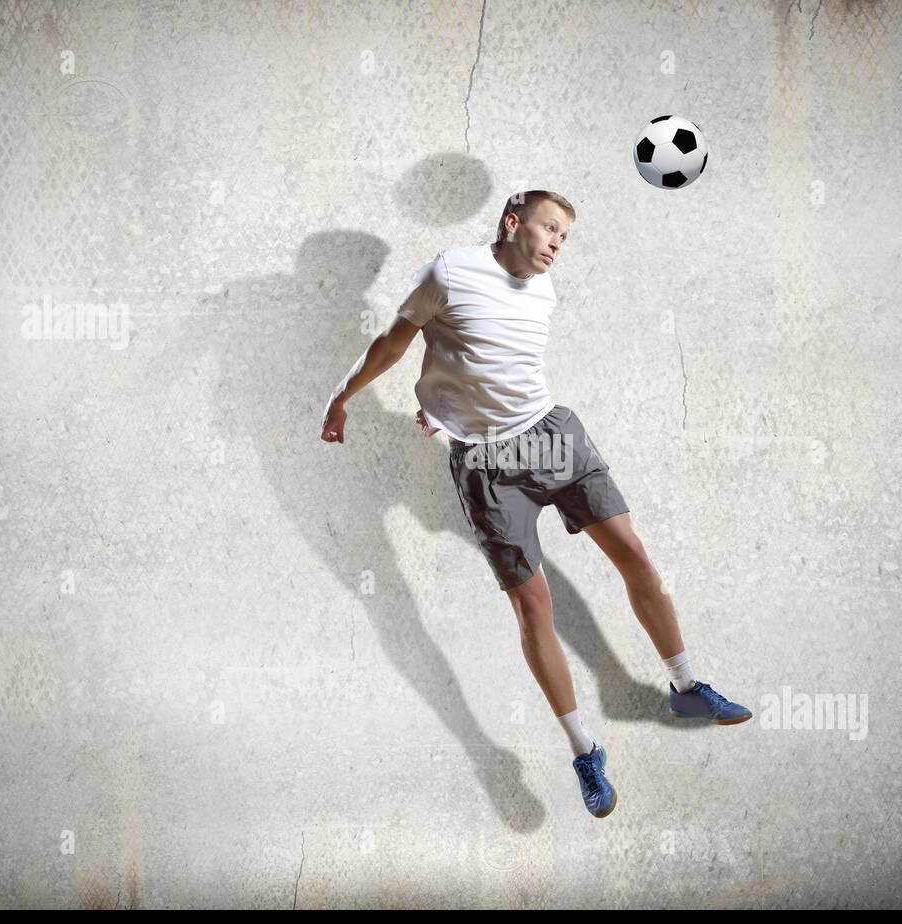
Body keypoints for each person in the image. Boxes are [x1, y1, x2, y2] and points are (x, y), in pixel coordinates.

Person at [320, 190, 751, 819]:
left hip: (552, 437)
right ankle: (584, 751)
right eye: (551, 229)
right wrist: (344, 396)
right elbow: (395, 343)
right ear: (512, 222)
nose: (557, 243)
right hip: (487, 466)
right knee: (534, 605)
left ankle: (686, 686)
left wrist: (439, 406)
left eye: (566, 237)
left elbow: (488, 367)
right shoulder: (449, 272)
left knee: (632, 552)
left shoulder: (543, 290)